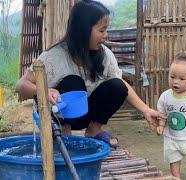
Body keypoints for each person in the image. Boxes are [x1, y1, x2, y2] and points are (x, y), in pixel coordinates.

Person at [16, 0, 165, 148]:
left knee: (117, 85)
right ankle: (64, 134)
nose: (106, 35)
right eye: (101, 30)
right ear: (83, 30)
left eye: (106, 30)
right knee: (73, 82)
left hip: (85, 113)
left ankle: (94, 131)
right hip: (57, 114)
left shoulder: (105, 55)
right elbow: (21, 85)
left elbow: (120, 84)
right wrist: (43, 91)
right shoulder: (53, 57)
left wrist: (146, 110)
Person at [156, 53, 186, 180]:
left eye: (181, 78)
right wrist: (161, 125)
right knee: (173, 159)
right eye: (172, 77)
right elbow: (162, 113)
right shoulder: (165, 96)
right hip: (171, 138)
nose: (175, 81)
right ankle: (176, 177)